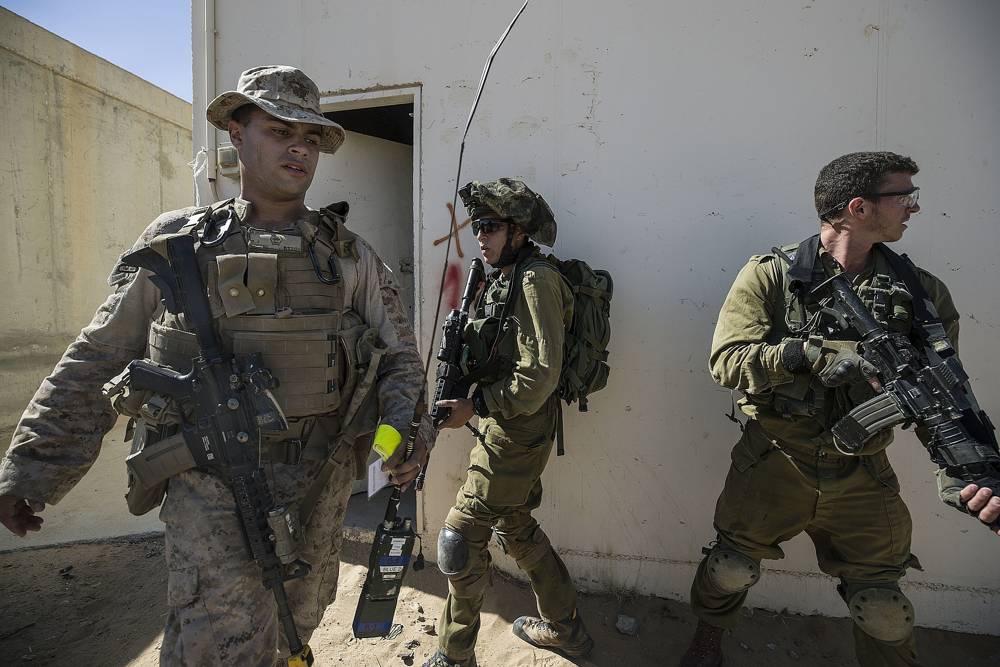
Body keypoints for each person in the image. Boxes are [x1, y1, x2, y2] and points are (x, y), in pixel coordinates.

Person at [0, 65, 430, 666]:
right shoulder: (178, 246)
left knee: (295, 631)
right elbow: (98, 357)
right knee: (213, 643)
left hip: (318, 484)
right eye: (280, 130)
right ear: (236, 131)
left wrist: (407, 431)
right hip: (208, 487)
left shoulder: (352, 256)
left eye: (309, 138)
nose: (298, 148)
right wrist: (32, 469)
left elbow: (400, 361)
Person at [680, 151, 1000, 667]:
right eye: (904, 196)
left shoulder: (922, 296)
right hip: (774, 461)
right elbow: (727, 362)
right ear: (859, 208)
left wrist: (972, 476)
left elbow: (943, 399)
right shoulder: (772, 276)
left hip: (862, 474)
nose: (913, 208)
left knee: (883, 609)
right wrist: (813, 355)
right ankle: (708, 636)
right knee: (730, 568)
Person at [423, 178, 592, 667]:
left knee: (460, 536)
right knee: (514, 525)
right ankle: (566, 629)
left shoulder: (536, 279)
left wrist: (475, 407)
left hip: (519, 428)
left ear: (519, 231)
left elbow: (540, 374)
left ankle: (454, 656)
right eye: (477, 226)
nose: (480, 235)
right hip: (508, 423)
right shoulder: (502, 274)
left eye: (490, 226)